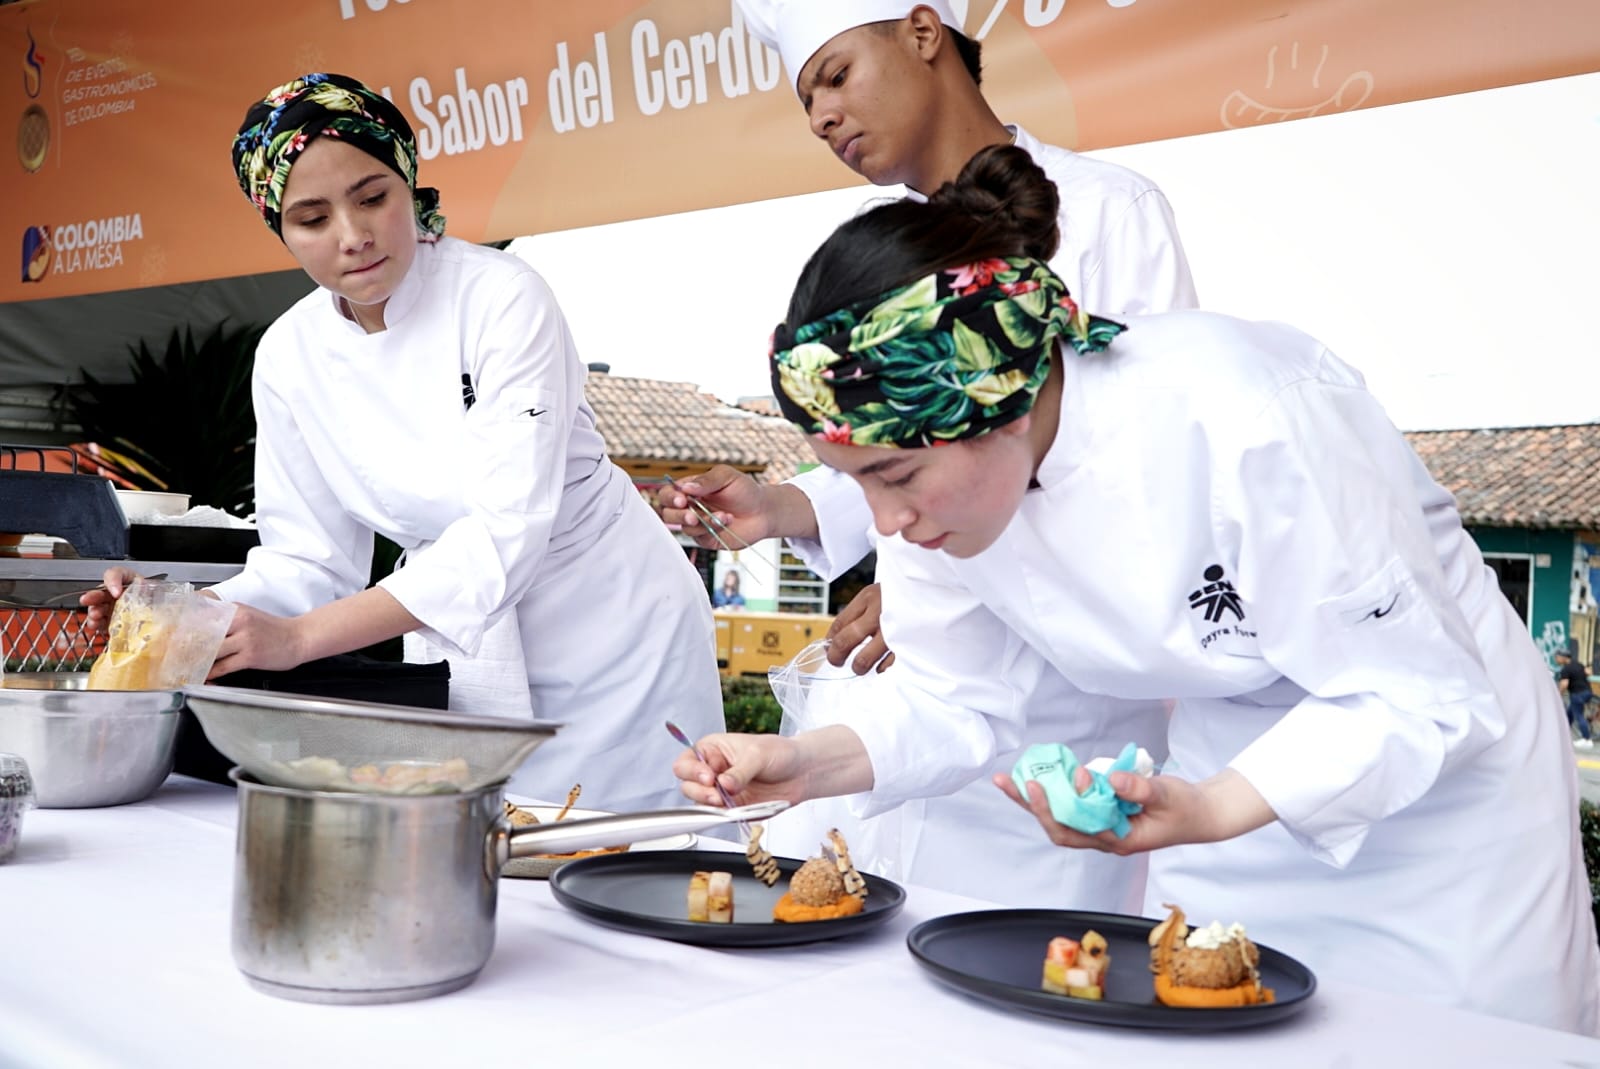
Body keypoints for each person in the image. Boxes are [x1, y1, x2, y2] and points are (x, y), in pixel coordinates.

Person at [673, 145, 1600, 1033]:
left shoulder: (1249, 413)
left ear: (993, 401)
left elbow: (1412, 691)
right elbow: (955, 699)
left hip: (1448, 794)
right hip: (1228, 780)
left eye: (897, 477)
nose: (881, 523)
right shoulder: (946, 506)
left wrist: (1216, 805)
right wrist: (809, 765)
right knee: (1224, 1020)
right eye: (863, 482)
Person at [658, 0, 1193, 908]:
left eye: (835, 76)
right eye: (806, 101)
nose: (822, 116)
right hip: (909, 695)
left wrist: (925, 574)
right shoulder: (874, 248)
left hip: (1056, 720)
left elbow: (1137, 465)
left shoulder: (1110, 211)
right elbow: (894, 453)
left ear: (920, 32)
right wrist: (790, 509)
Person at [83, 73, 723, 813]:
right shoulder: (289, 355)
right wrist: (177, 617)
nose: (352, 235)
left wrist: (296, 640)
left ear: (408, 183)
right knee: (488, 866)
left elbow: (502, 536)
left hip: (615, 632)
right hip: (461, 641)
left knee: (632, 858)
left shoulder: (502, 299)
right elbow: (309, 562)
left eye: (372, 196)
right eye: (312, 217)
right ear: (280, 229)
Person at [1556, 648, 1594, 747]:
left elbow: (1564, 684)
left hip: (1577, 694)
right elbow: (1589, 672)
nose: (1556, 659)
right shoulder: (1578, 664)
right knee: (1569, 715)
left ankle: (1587, 739)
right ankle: (1563, 737)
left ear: (1564, 658)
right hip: (1587, 692)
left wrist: (1558, 695)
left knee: (1579, 716)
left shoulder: (1566, 669)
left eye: (1557, 657)